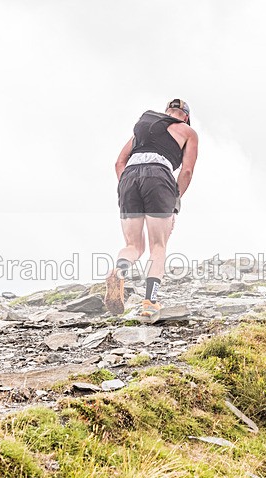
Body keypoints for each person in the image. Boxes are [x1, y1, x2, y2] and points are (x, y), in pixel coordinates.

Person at [105, 99, 198, 321]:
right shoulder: (187, 131)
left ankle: (119, 271)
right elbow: (186, 172)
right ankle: (150, 302)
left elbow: (119, 163)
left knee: (133, 246)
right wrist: (174, 202)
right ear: (185, 116)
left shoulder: (144, 129)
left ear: (167, 112)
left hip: (128, 178)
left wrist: (127, 185)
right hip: (159, 176)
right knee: (158, 246)